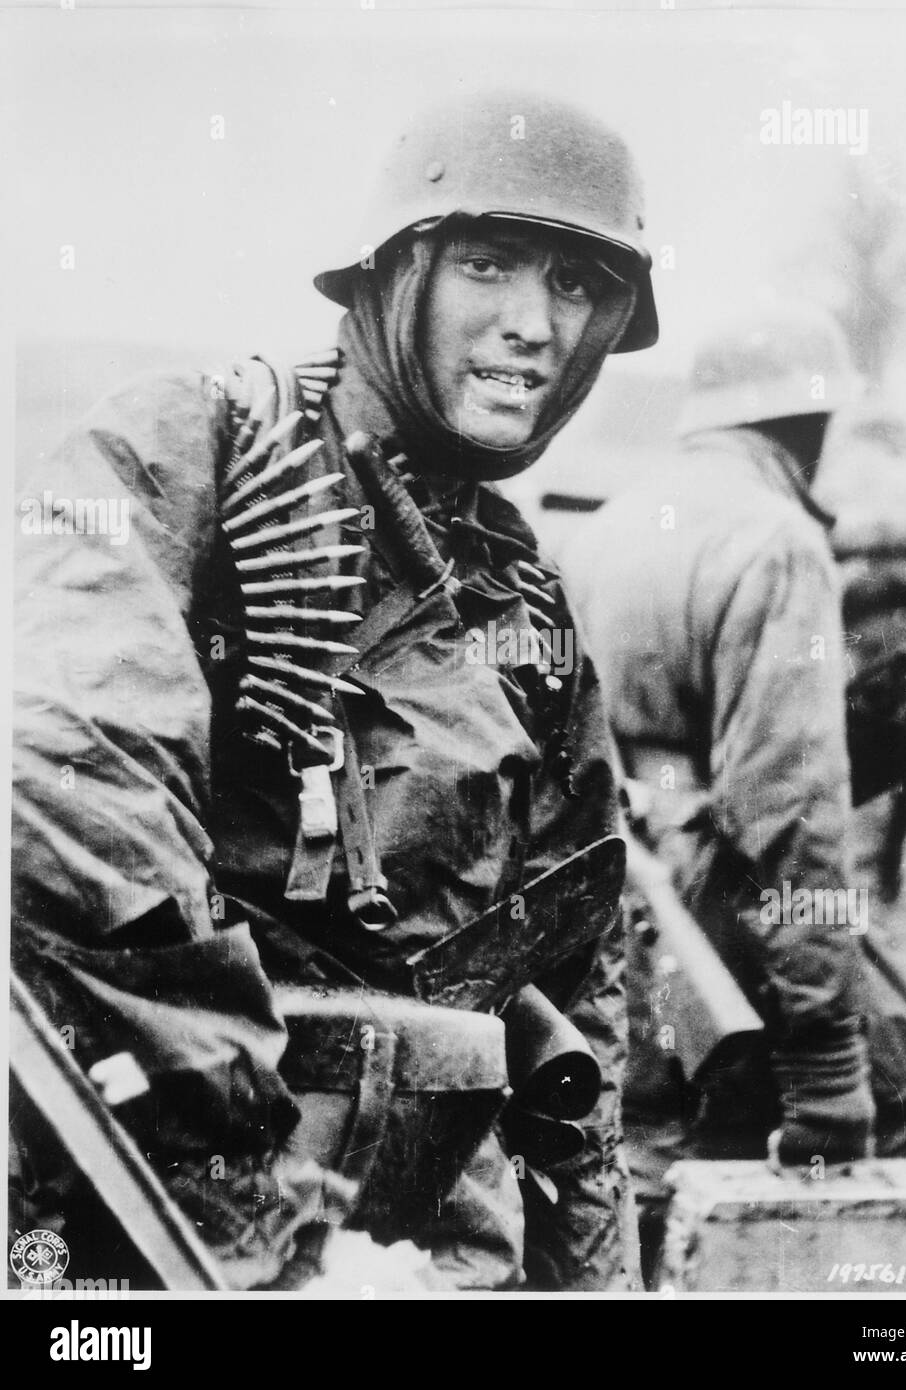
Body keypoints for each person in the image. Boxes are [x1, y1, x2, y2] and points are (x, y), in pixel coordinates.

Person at [10, 90, 659, 1292]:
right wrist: (258, 1203)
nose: (534, 325)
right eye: (488, 265)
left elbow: (580, 977)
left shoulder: (524, 598)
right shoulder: (189, 449)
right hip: (155, 1212)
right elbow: (72, 781)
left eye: (576, 287)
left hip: (436, 1233)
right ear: (394, 275)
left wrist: (590, 1276)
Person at [562, 303, 906, 1261]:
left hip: (621, 906)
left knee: (655, 1158)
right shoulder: (777, 539)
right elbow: (789, 818)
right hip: (728, 907)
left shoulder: (606, 527)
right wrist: (829, 1067)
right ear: (808, 425)